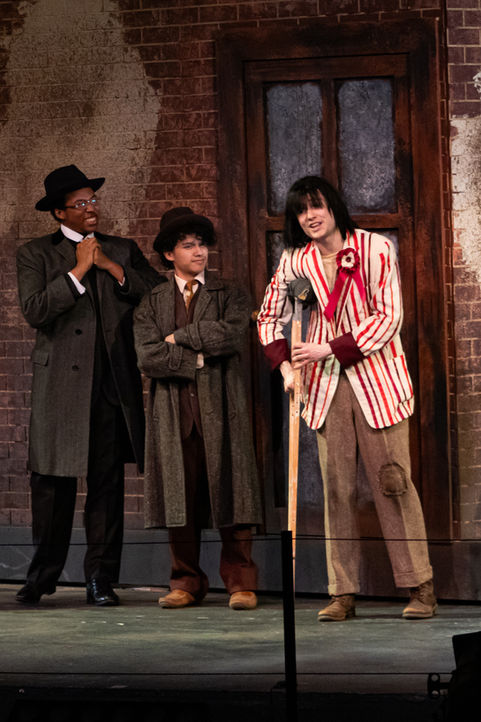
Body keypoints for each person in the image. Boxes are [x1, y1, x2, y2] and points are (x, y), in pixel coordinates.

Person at [257, 175, 436, 621]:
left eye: (316, 206)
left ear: (333, 206)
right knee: (337, 489)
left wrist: (328, 348)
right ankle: (343, 591)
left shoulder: (375, 249)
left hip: (378, 383)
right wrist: (285, 367)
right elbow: (267, 317)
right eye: (301, 210)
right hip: (324, 388)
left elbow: (389, 317)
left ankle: (420, 585)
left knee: (393, 482)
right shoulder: (295, 260)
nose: (310, 216)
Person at [15, 164, 160, 606]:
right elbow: (35, 310)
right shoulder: (35, 254)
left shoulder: (122, 249)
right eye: (80, 203)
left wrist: (112, 268)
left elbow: (157, 296)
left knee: (106, 487)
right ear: (59, 212)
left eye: (93, 200)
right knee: (51, 488)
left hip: (110, 388)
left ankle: (101, 579)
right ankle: (42, 577)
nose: (91, 208)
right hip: (60, 389)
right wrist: (77, 271)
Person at [133, 207, 262, 610]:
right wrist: (198, 358)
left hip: (222, 409)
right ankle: (185, 581)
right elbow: (147, 356)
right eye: (189, 245)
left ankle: (241, 583)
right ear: (169, 254)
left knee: (234, 494)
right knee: (179, 498)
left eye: (202, 244)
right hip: (175, 415)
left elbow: (232, 334)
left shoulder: (229, 294)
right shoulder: (152, 301)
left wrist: (179, 337)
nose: (199, 252)